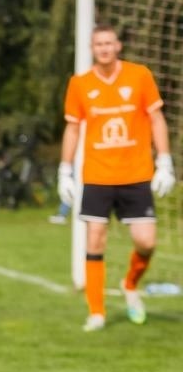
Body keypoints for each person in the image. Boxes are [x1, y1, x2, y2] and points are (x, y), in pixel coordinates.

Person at [58, 24, 173, 330]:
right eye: (99, 44)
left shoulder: (139, 76)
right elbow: (72, 128)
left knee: (146, 242)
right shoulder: (80, 84)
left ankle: (131, 284)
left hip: (136, 173)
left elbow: (156, 118)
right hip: (97, 175)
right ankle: (97, 312)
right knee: (95, 240)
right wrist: (65, 171)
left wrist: (165, 162)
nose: (104, 48)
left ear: (118, 46)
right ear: (92, 49)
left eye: (109, 43)